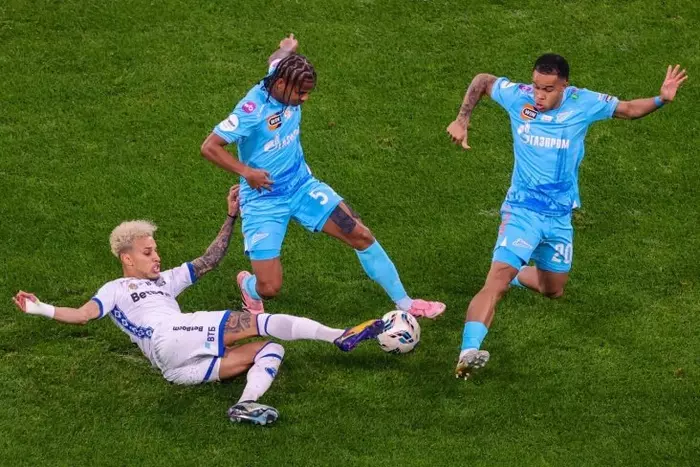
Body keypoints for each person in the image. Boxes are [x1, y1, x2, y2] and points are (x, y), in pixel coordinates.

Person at [11, 185, 385, 425]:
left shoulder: (165, 281)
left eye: (156, 250)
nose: (157, 256)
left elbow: (209, 260)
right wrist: (41, 308)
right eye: (148, 252)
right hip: (169, 335)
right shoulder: (116, 288)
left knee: (270, 349)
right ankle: (339, 335)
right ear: (127, 258)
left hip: (174, 368)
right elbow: (83, 315)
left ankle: (245, 404)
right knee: (256, 322)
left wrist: (231, 216)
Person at [446, 55, 687, 378]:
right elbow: (482, 80)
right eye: (536, 86)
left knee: (553, 289)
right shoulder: (518, 96)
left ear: (564, 86)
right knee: (495, 283)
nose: (538, 95)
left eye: (548, 89)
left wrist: (661, 99)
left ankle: (517, 274)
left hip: (559, 217)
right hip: (522, 211)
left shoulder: (583, 103)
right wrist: (462, 119)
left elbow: (629, 109)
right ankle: (468, 352)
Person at [200, 34, 445, 319]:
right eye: (300, 93)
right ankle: (248, 287)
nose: (304, 99)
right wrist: (247, 172)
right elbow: (210, 147)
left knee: (360, 234)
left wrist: (286, 48)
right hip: (263, 200)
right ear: (281, 84)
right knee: (269, 287)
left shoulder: (281, 73)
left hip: (302, 186)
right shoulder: (251, 110)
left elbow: (276, 60)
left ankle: (406, 303)